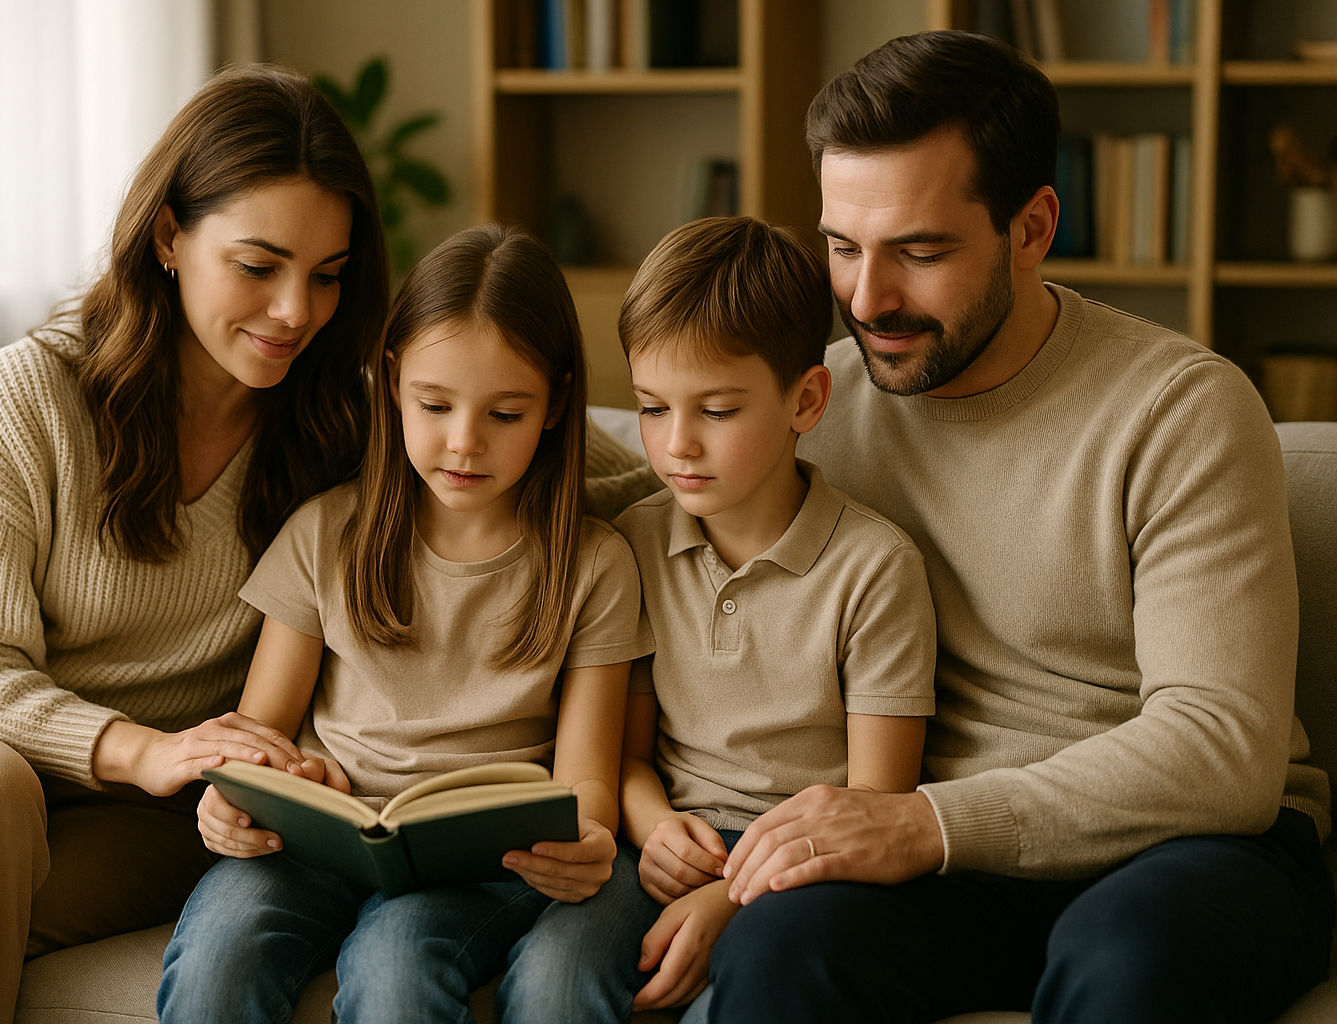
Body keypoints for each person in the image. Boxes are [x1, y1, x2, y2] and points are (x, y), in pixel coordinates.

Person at [705, 30, 1335, 1024]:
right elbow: (638, 489)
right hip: (946, 864)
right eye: (841, 246)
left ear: (1032, 226)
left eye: (919, 251)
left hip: (1188, 852)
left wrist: (924, 822)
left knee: (1126, 958)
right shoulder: (813, 407)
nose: (869, 300)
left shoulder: (1180, 410)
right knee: (781, 949)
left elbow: (1223, 748)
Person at [0, 65, 390, 1024]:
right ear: (169, 236)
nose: (296, 311)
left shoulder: (339, 426)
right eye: (258, 265)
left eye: (328, 276)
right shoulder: (33, 393)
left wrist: (698, 456)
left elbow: (573, 461)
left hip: (139, 817)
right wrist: (136, 748)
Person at [154, 223, 651, 1024]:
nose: (464, 441)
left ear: (557, 404)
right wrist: (230, 800)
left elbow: (587, 775)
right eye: (434, 403)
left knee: (395, 971)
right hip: (316, 843)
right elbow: (259, 732)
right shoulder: (324, 535)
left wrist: (588, 837)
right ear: (391, 384)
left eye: (505, 413)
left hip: (481, 861)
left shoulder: (593, 564)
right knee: (216, 957)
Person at [505, 215, 939, 1023]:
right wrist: (657, 826)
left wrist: (729, 903)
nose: (677, 446)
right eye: (651, 408)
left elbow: (877, 806)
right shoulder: (630, 544)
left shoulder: (876, 570)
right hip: (659, 846)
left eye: (716, 411)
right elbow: (627, 755)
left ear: (805, 399)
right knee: (552, 979)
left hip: (801, 873)